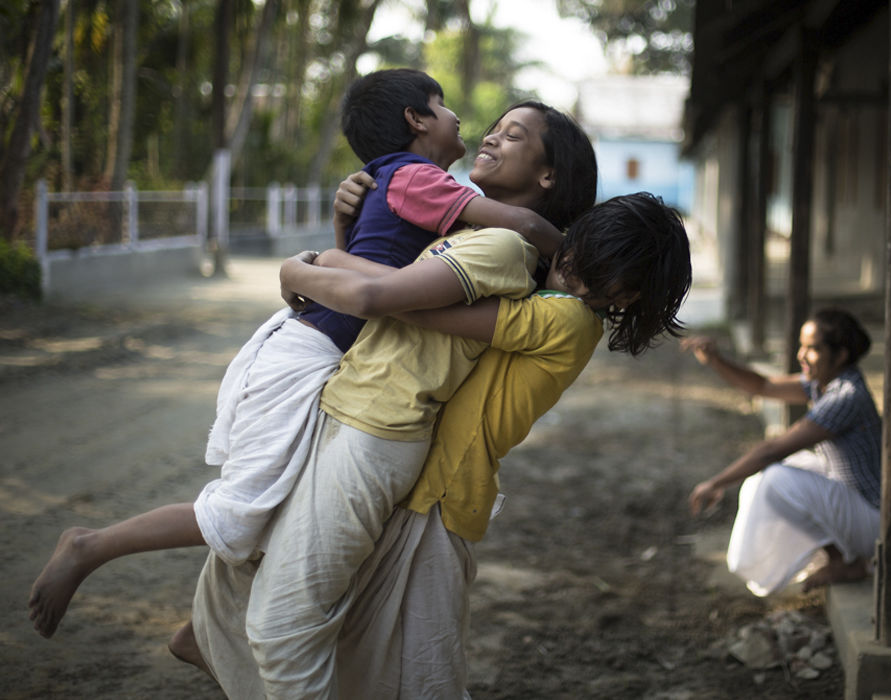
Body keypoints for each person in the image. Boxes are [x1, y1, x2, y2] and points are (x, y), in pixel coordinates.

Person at [27, 70, 590, 639]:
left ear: (548, 173)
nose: (481, 132)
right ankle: (90, 546)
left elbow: (387, 270)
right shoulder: (428, 185)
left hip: (336, 361)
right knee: (242, 508)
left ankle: (204, 636)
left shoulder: (441, 206)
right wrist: (578, 257)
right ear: (416, 121)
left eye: (510, 134)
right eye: (445, 107)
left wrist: (332, 245)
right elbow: (390, 289)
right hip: (311, 349)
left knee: (295, 502)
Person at [188, 191, 694, 698]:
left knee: (410, 673)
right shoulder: (521, 272)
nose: (573, 272)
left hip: (441, 495)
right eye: (580, 252)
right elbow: (401, 289)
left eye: (600, 275)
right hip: (422, 478)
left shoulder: (568, 317)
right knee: (387, 665)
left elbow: (411, 307)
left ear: (625, 297)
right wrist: (341, 259)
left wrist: (310, 271)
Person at [682, 308, 881, 596]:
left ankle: (845, 562)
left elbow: (771, 450)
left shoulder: (846, 397)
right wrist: (716, 361)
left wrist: (716, 483)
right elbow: (763, 385)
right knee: (796, 465)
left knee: (778, 478)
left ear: (840, 356)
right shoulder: (823, 383)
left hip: (874, 523)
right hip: (858, 507)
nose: (801, 355)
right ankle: (841, 555)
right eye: (802, 345)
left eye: (812, 349)